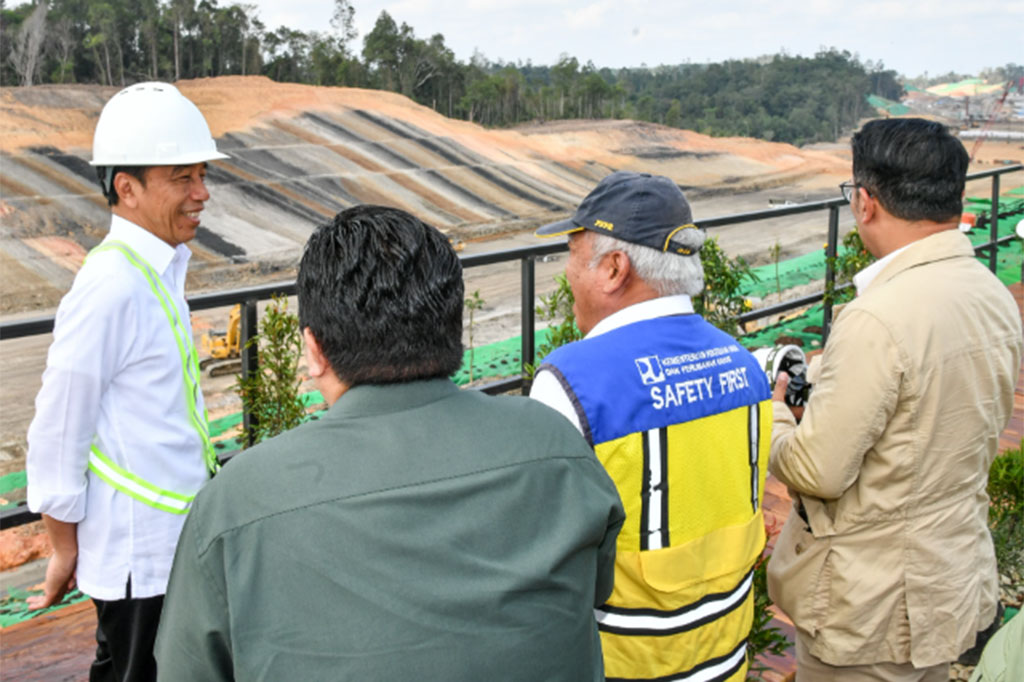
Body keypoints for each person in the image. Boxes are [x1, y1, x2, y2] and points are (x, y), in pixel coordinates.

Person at [154, 205, 625, 681]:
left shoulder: (238, 502)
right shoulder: (555, 444)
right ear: (452, 327)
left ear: (314, 350)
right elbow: (593, 585)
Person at [767, 118, 1022, 680]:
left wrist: (776, 416)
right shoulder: (991, 292)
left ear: (865, 202)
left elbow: (817, 471)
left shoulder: (877, 318)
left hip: (869, 607)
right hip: (947, 583)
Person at [530, 171, 772, 682]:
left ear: (614, 268)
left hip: (627, 666)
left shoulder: (572, 382)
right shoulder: (744, 366)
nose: (567, 275)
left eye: (572, 254)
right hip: (725, 660)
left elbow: (541, 556)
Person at [25, 82, 227, 681]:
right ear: (126, 187)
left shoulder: (155, 270)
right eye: (183, 178)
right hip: (141, 558)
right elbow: (58, 427)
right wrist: (64, 548)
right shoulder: (110, 287)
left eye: (202, 175)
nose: (202, 192)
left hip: (172, 546)